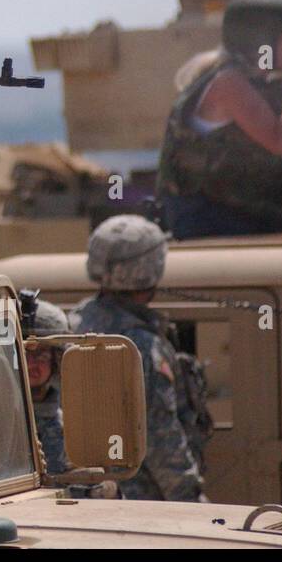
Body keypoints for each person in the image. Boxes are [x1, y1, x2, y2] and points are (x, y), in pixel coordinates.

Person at [157, 0, 282, 238]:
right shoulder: (228, 84)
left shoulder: (264, 84)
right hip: (208, 222)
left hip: (246, 216)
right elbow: (281, 142)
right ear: (264, 42)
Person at [72, 215, 208, 501]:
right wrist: (191, 500)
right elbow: (160, 435)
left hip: (92, 496)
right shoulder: (141, 345)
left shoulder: (73, 326)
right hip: (143, 504)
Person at [19, 290, 71, 477]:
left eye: (41, 355)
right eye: (25, 353)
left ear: (56, 360)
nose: (31, 364)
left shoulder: (72, 427)